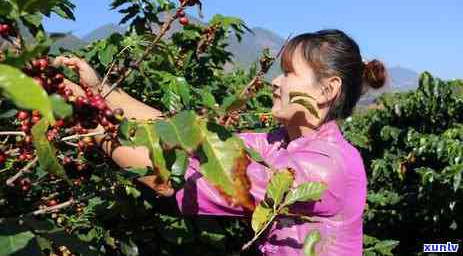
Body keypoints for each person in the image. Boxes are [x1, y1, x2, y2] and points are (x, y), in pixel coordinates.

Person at [55, 29, 387, 255]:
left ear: (327, 90)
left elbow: (169, 182)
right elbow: (190, 138)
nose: (275, 82)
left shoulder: (322, 168)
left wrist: (86, 118)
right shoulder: (279, 145)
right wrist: (100, 92)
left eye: (288, 73)